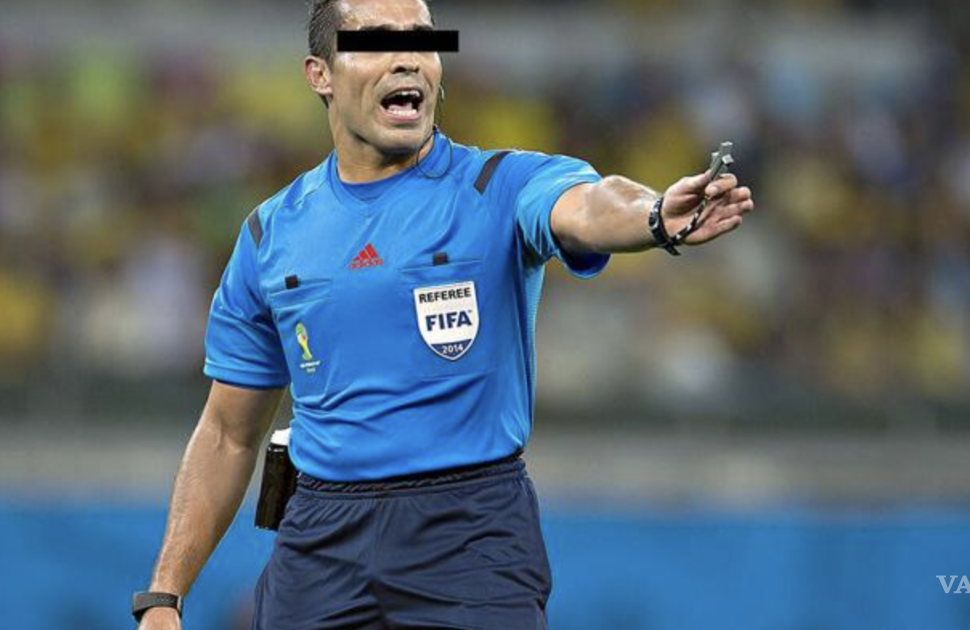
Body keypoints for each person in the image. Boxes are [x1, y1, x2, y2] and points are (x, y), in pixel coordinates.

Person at [134, 0, 754, 628]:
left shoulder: (500, 186)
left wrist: (654, 216)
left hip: (469, 533)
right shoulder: (271, 234)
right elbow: (228, 433)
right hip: (319, 542)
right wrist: (163, 595)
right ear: (320, 74)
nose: (407, 59)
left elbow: (591, 203)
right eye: (375, 43)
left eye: (423, 42)